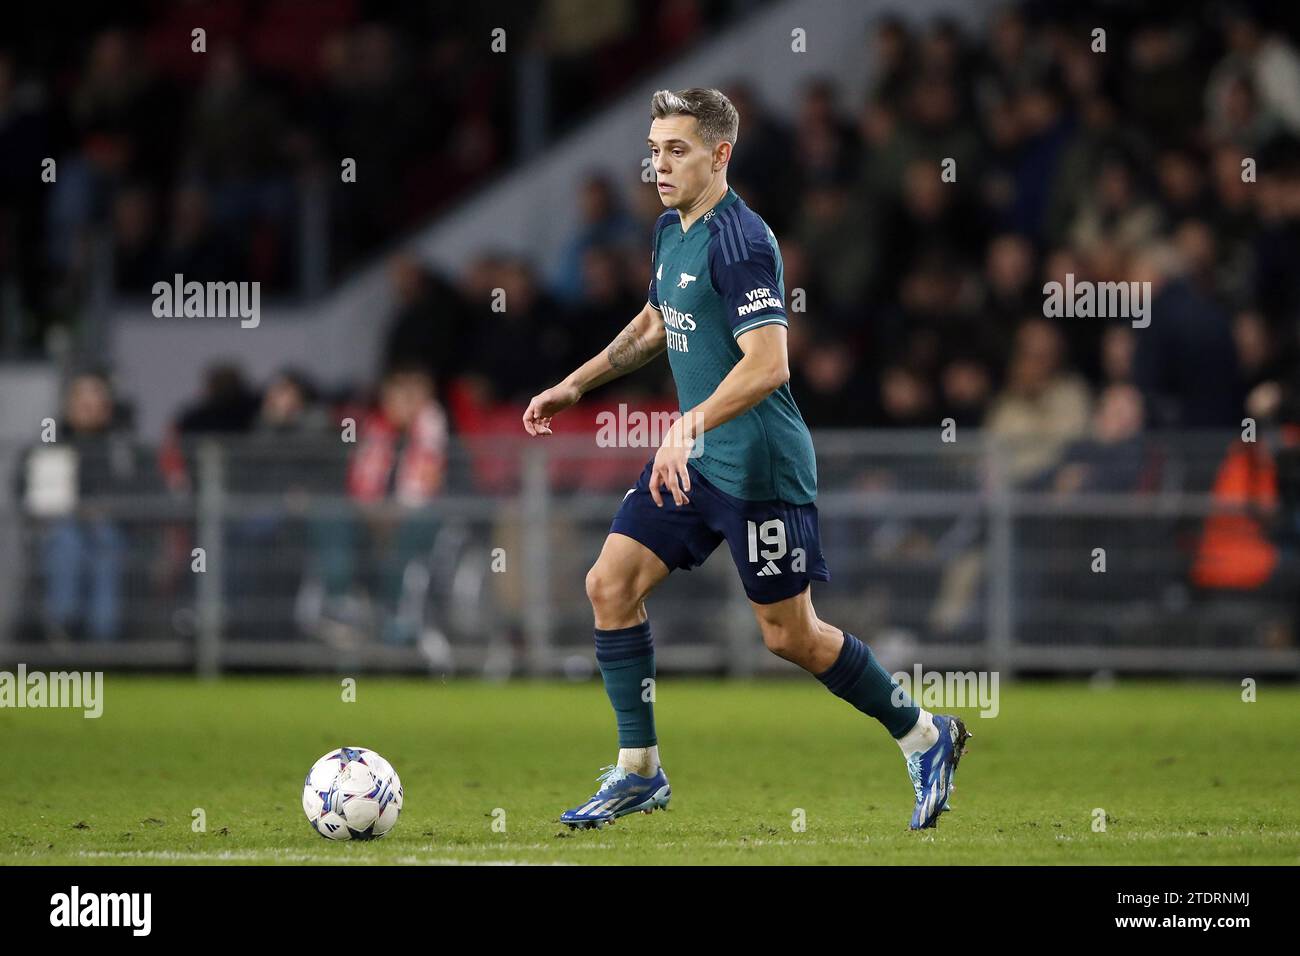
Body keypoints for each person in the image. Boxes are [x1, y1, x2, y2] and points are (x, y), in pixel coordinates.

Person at [522, 88, 970, 832]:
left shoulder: (742, 240)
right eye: (654, 149)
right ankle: (640, 771)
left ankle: (926, 735)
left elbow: (769, 366)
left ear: (720, 154)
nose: (658, 164)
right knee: (609, 583)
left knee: (789, 635)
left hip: (758, 465)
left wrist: (683, 426)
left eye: (677, 150)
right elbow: (655, 323)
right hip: (695, 459)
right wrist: (575, 384)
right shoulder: (671, 230)